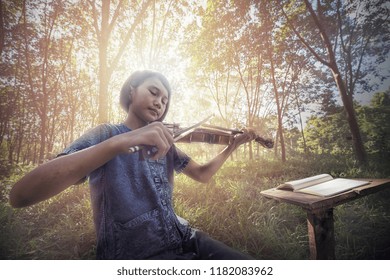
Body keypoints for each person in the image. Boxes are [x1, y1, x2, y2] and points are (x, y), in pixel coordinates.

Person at [9, 70, 256, 260]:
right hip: (137, 257)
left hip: (185, 237)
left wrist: (231, 146)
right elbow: (21, 195)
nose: (160, 102)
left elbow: (202, 175)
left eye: (165, 100)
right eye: (153, 92)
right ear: (131, 92)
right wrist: (118, 143)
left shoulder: (164, 141)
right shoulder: (107, 133)